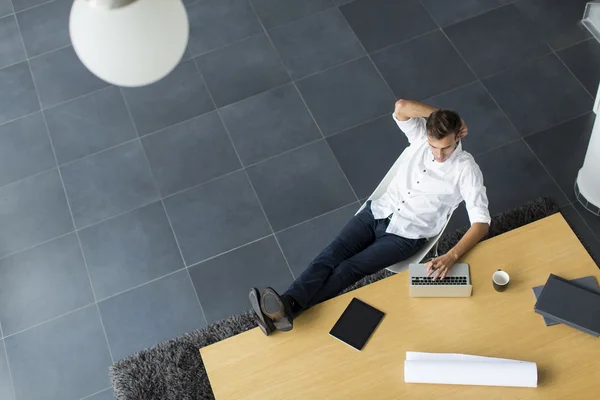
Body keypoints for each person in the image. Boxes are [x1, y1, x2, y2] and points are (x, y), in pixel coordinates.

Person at [249, 99, 491, 336]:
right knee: (331, 254)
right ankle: (287, 308)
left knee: (348, 269)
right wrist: (447, 117)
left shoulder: (466, 169)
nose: (439, 154)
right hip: (378, 211)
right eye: (434, 147)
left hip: (405, 236)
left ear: (458, 138)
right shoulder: (420, 138)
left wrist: (452, 256)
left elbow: (481, 223)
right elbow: (401, 107)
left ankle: (286, 308)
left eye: (445, 148)